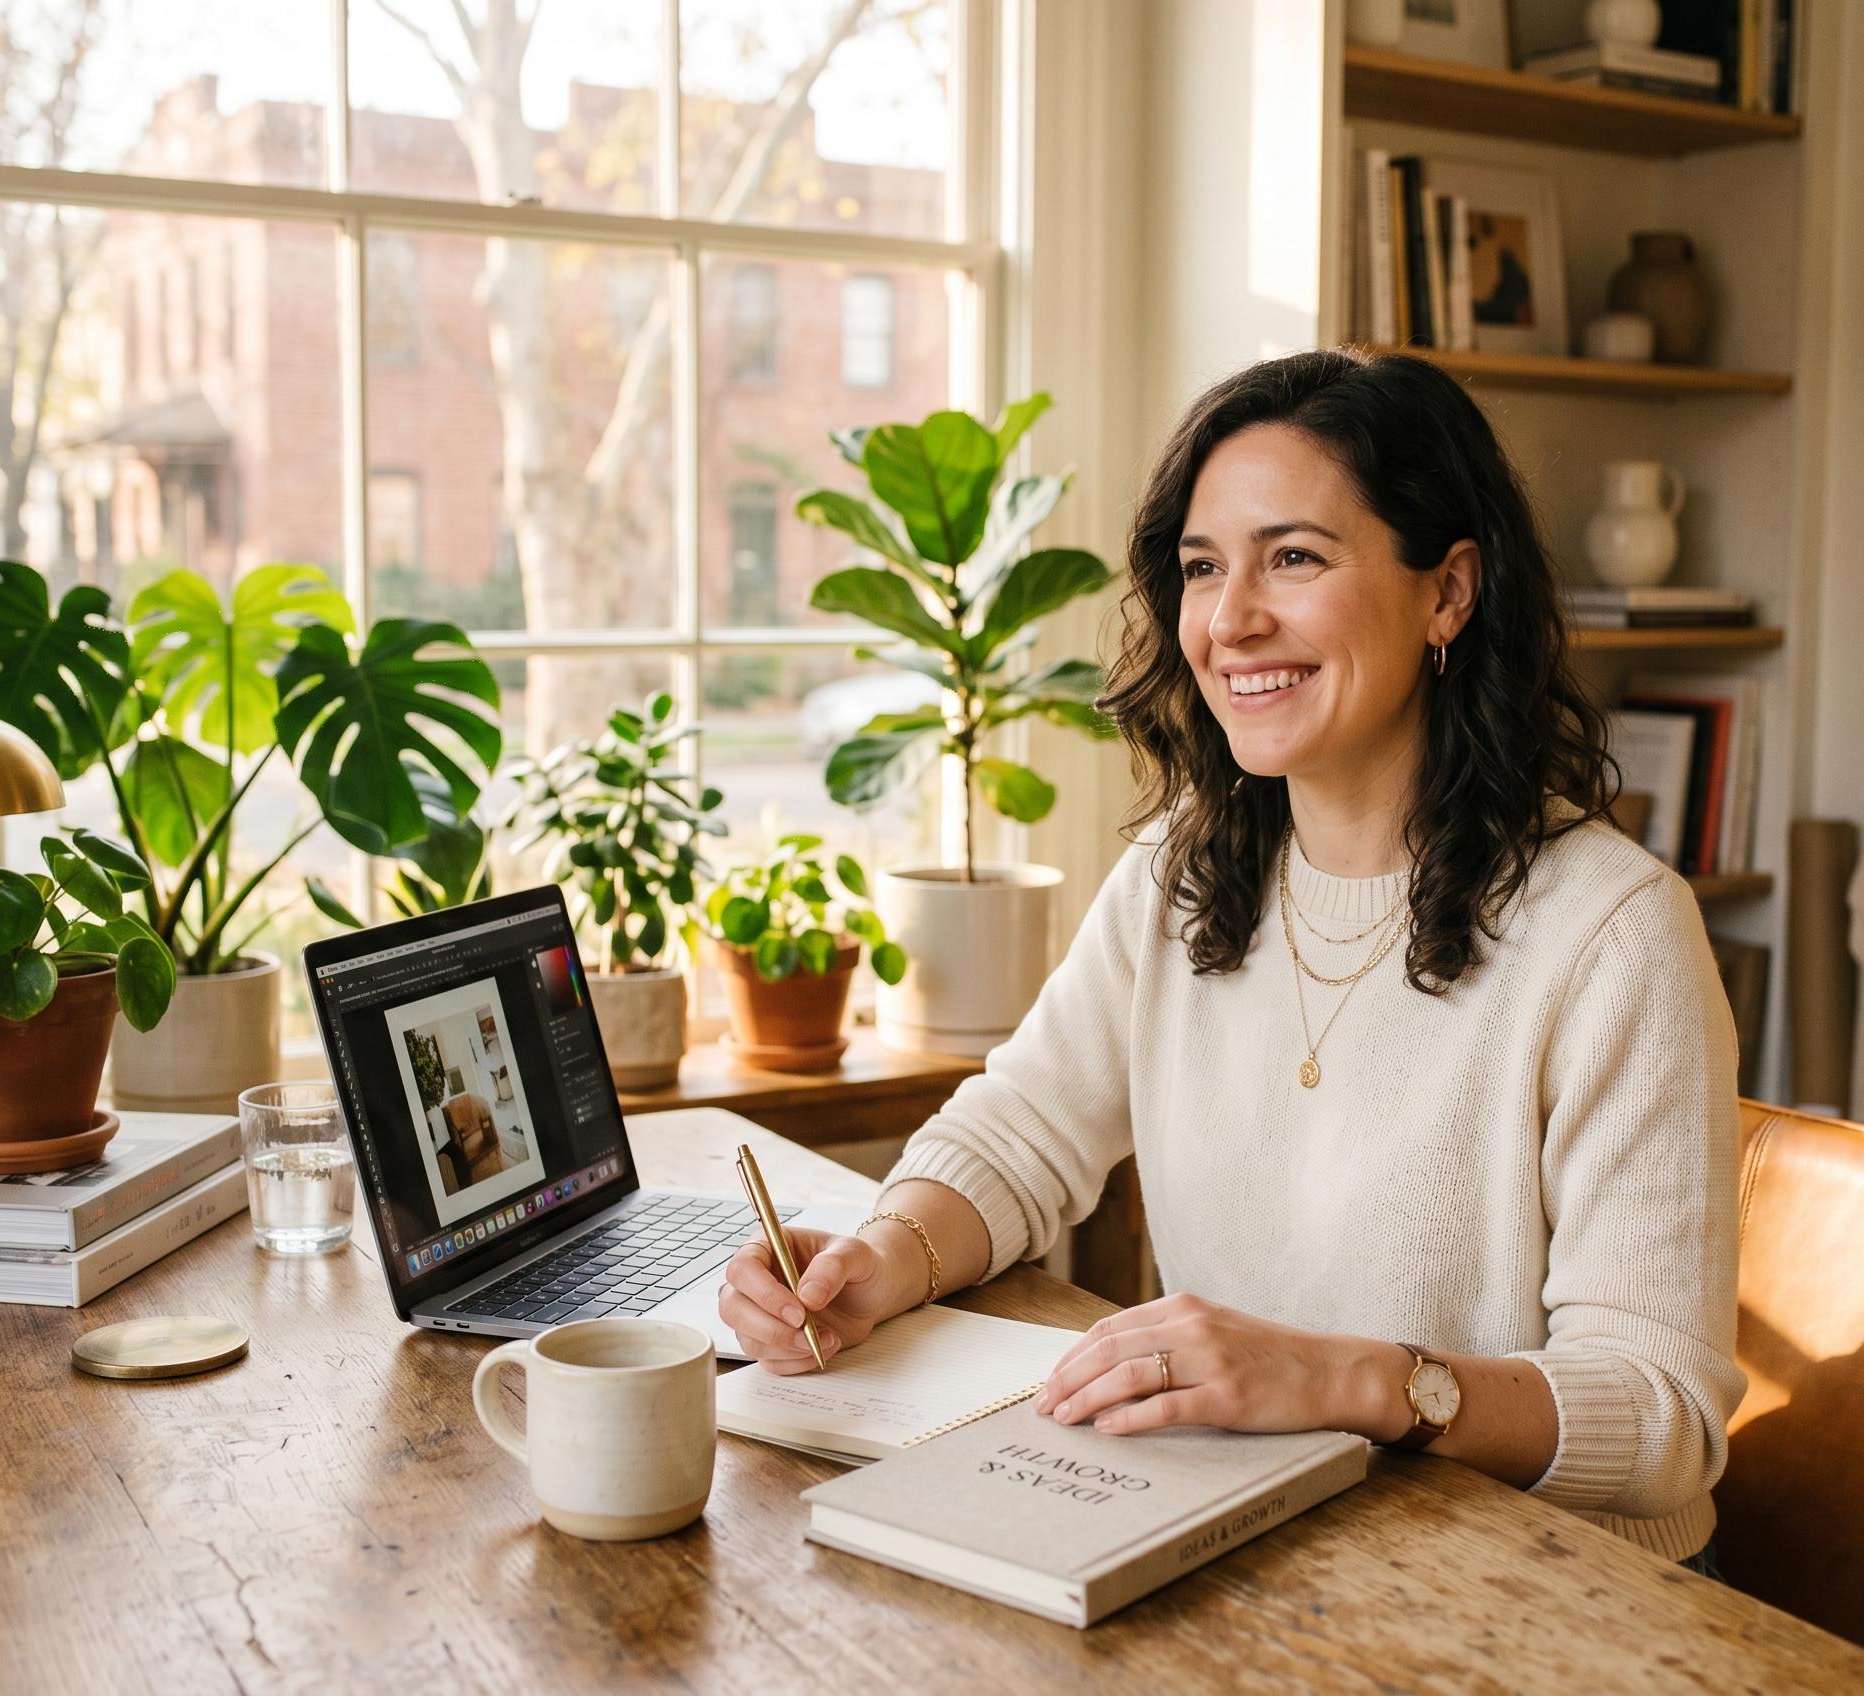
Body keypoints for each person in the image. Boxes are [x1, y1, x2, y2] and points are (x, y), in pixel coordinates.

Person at [720, 348, 1744, 1571]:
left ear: (1447, 592)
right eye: (1202, 567)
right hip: (1274, 1539)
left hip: (1554, 1589)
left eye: (1293, 557)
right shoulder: (1181, 870)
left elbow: (1661, 1417)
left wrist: (1343, 1378)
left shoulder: (1614, 931)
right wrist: (880, 1259)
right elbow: (1021, 1129)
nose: (1228, 619)